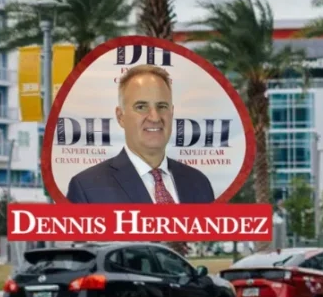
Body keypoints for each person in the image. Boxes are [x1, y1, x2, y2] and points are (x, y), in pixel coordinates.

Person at [65, 64, 216, 203]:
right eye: (141, 107)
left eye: (162, 106)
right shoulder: (87, 188)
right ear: (120, 116)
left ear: (172, 112)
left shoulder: (199, 183)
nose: (155, 117)